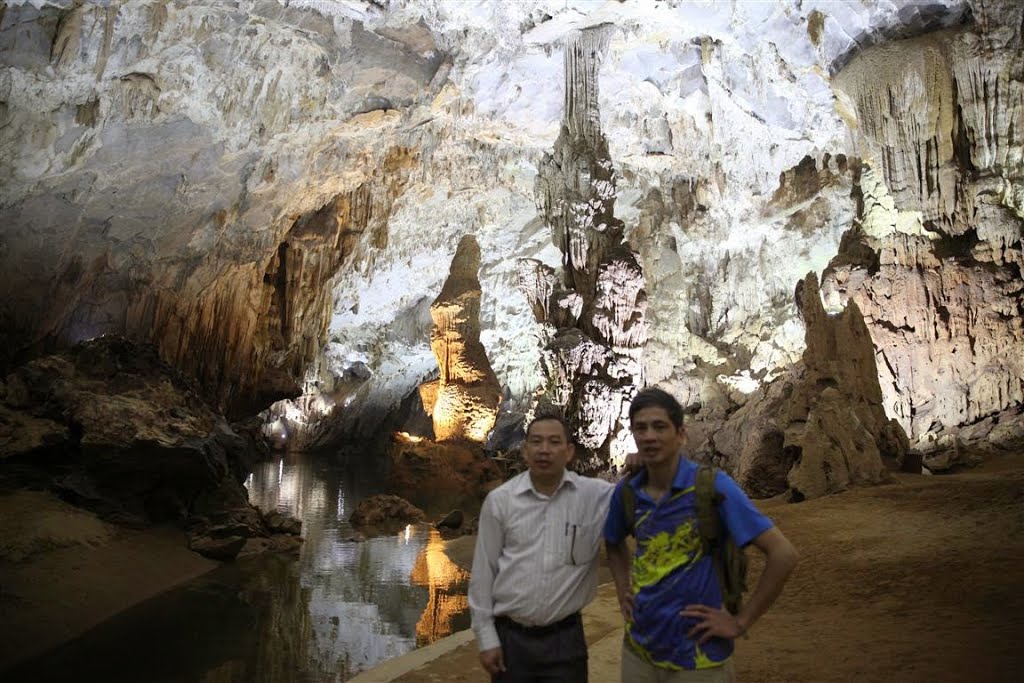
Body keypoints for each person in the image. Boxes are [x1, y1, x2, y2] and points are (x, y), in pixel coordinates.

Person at [604, 388, 798, 682]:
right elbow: (613, 540)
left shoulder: (713, 487)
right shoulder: (628, 492)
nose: (649, 436)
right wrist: (622, 587)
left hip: (698, 658)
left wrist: (741, 622)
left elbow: (783, 553)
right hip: (638, 652)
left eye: (659, 426)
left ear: (680, 434)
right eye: (640, 428)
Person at [469, 413, 614, 682]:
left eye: (554, 442)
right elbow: (483, 574)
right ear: (525, 451)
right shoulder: (500, 501)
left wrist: (639, 464)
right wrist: (487, 638)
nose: (544, 450)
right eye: (536, 442)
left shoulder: (595, 496)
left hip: (566, 639)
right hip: (511, 639)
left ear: (569, 451)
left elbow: (640, 497)